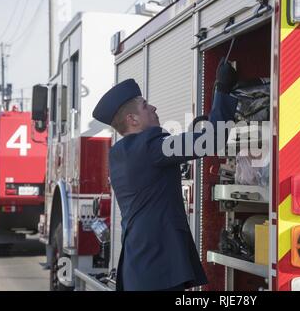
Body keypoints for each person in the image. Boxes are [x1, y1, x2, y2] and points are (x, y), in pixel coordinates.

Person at [92, 59, 238, 291]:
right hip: (158, 272)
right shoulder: (149, 146)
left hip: (139, 269)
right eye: (145, 105)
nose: (154, 108)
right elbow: (210, 141)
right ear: (133, 119)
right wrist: (223, 90)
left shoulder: (119, 152)